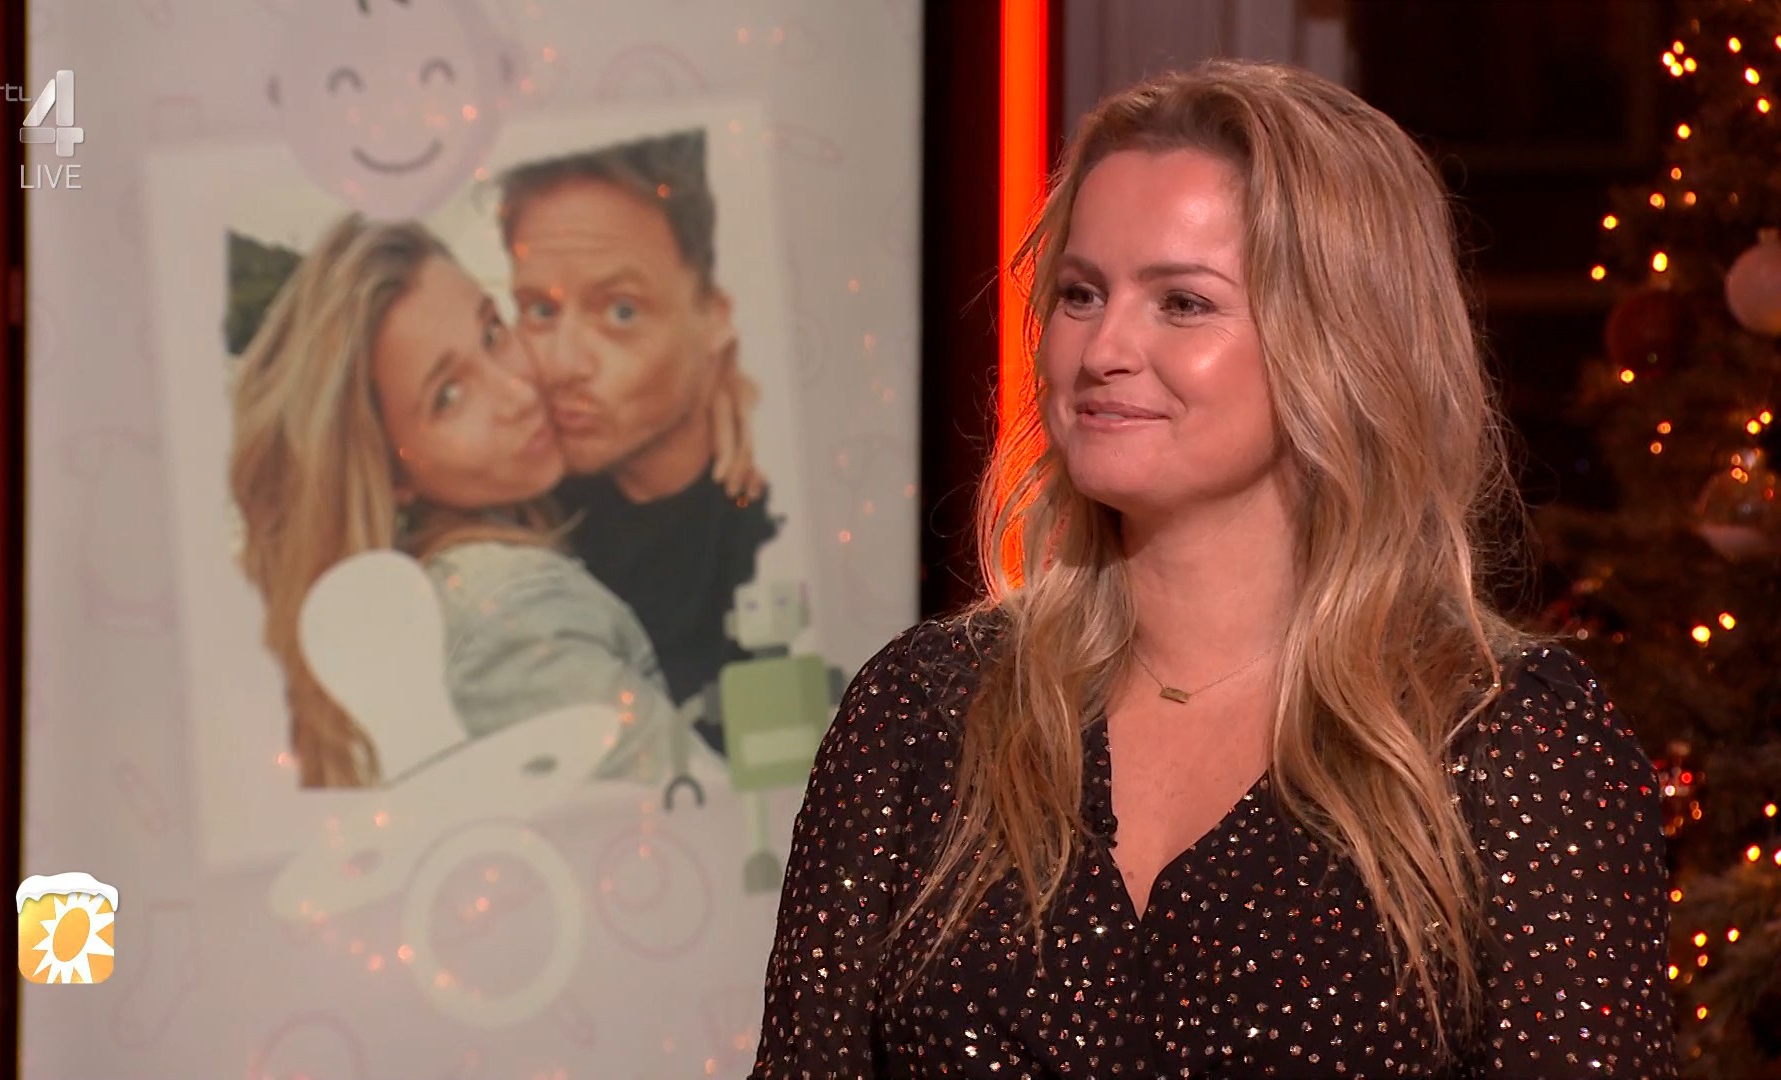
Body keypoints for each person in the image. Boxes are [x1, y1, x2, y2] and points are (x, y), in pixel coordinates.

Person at [753, 60, 1674, 1077]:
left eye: (1182, 303)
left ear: (1341, 342)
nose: (1102, 348)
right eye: (1081, 293)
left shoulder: (1507, 742)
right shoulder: (924, 713)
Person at [228, 214, 678, 789]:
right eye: (449, 396)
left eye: (492, 333)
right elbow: (697, 814)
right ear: (394, 476)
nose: (518, 392)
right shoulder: (509, 618)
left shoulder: (524, 517)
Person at [498, 129, 781, 727]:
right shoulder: (515, 522)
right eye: (540, 310)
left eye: (620, 310)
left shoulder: (777, 523)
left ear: (714, 317)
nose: (562, 365)